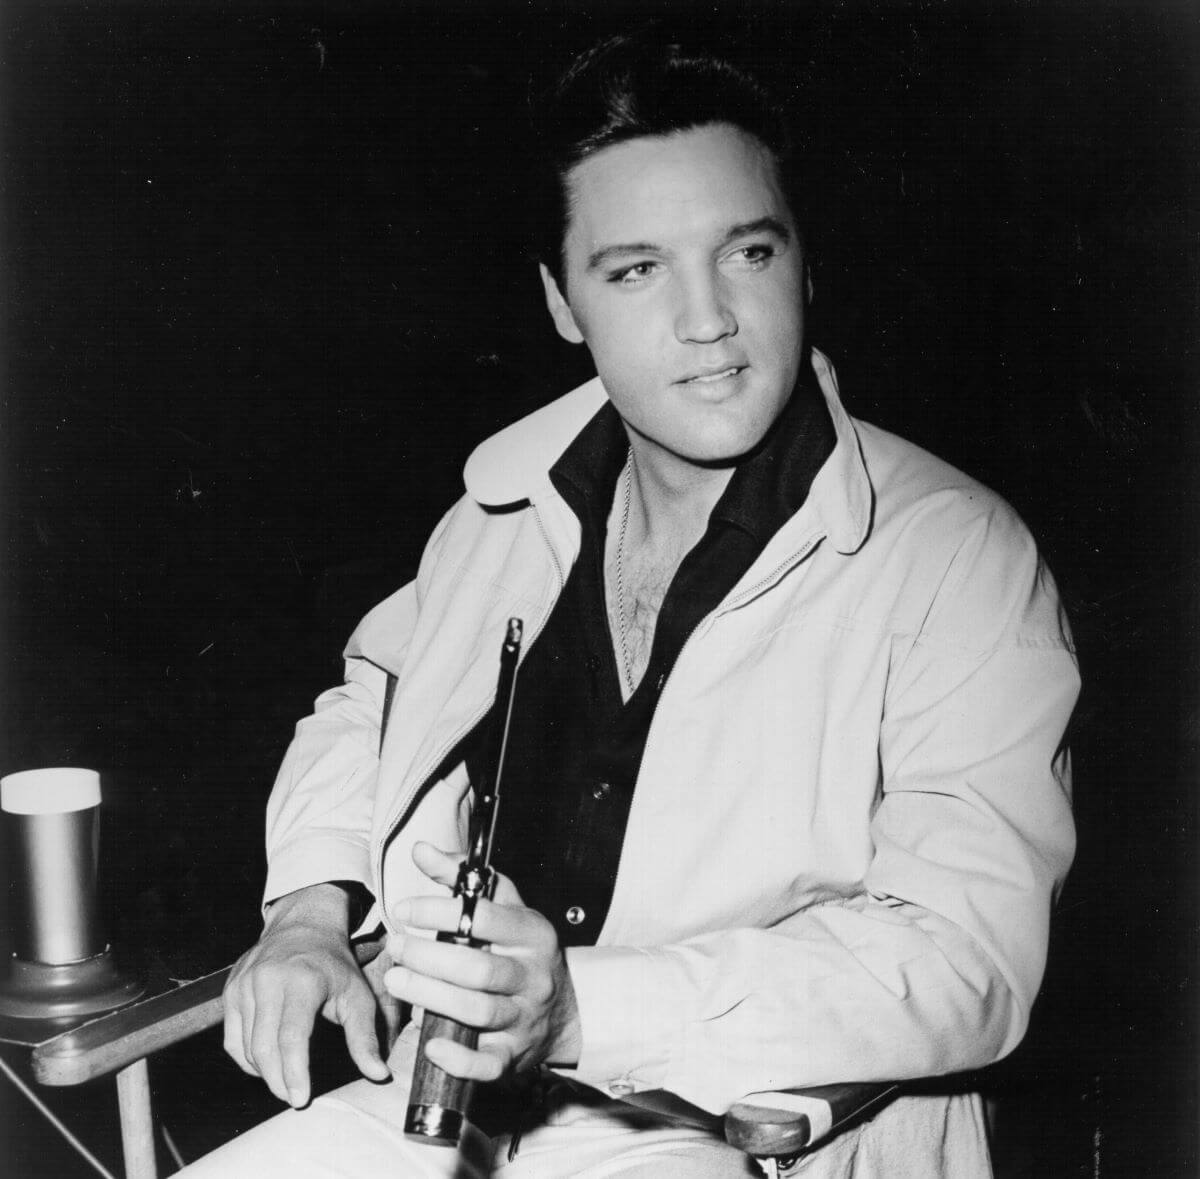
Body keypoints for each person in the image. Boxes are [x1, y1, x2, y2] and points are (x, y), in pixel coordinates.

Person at [182, 32, 1078, 1178]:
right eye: (637, 269)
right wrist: (308, 911)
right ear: (564, 303)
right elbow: (376, 701)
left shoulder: (959, 557)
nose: (707, 318)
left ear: (805, 263)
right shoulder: (504, 508)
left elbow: (969, 964)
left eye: (746, 253)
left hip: (739, 1128)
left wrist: (582, 1012)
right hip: (444, 1096)